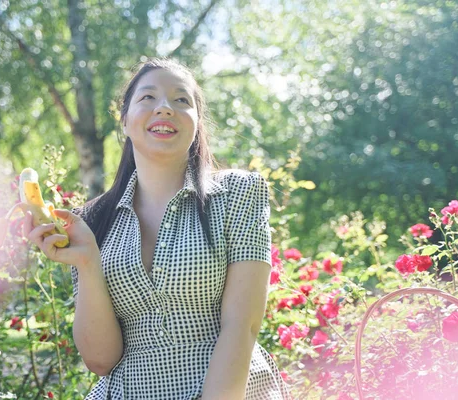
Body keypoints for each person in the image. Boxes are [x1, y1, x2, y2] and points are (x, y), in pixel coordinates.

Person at [24, 58, 291, 400]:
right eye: (147, 98)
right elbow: (101, 360)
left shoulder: (240, 193)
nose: (164, 108)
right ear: (124, 121)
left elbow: (243, 326)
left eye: (181, 100)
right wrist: (88, 263)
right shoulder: (92, 221)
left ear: (197, 123)